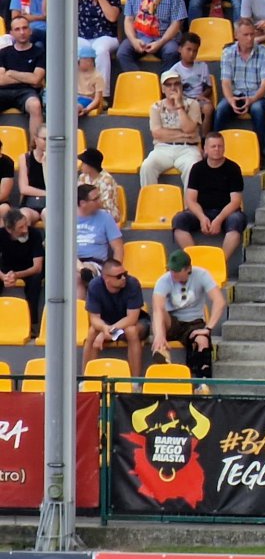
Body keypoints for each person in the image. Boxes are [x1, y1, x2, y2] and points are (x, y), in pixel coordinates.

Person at [173, 133, 248, 266]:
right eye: (213, 146)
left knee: (236, 221)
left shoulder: (233, 168)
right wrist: (202, 218)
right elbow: (190, 199)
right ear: (205, 149)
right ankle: (195, 262)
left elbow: (235, 201)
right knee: (179, 220)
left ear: (224, 148)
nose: (217, 149)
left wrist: (219, 219)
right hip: (202, 211)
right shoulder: (197, 168)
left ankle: (219, 263)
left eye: (220, 146)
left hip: (226, 213)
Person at [152, 249, 225, 384]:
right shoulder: (164, 280)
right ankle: (161, 352)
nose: (173, 273)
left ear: (188, 269)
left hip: (193, 322)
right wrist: (159, 334)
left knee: (202, 341)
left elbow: (219, 301)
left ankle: (203, 381)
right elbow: (157, 309)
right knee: (160, 315)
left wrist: (208, 328)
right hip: (172, 322)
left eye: (177, 271)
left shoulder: (202, 275)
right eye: (171, 270)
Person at [83, 258, 147, 379]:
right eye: (119, 276)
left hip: (131, 323)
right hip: (108, 323)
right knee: (92, 332)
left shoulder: (132, 284)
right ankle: (86, 379)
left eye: (125, 274)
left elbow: (132, 319)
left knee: (131, 331)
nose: (123, 278)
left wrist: (107, 332)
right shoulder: (95, 286)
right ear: (106, 278)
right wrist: (104, 328)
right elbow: (94, 319)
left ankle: (135, 382)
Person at [216, 17, 265, 140]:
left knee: (257, 109)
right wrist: (230, 99)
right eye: (245, 35)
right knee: (221, 109)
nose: (250, 38)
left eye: (252, 34)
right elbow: (226, 82)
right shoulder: (228, 53)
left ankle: (259, 149)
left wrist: (252, 99)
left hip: (259, 96)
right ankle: (212, 146)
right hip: (237, 95)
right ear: (236, 35)